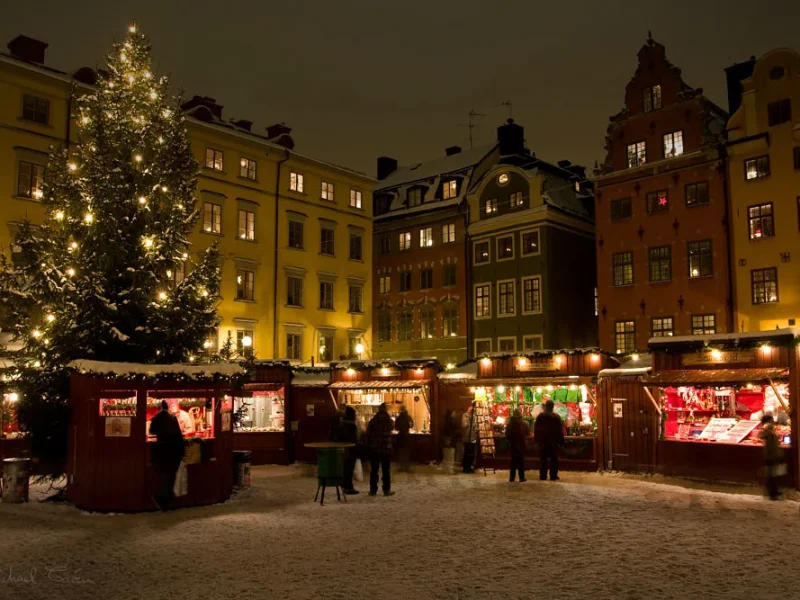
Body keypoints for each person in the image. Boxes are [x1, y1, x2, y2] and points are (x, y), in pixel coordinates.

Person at [149, 400, 185, 510]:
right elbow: (179, 435)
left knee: (164, 476)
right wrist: (182, 452)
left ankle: (161, 499)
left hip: (162, 450)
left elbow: (152, 431)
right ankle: (166, 501)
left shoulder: (157, 418)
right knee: (171, 476)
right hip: (174, 451)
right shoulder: (173, 417)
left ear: (159, 408)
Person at [366, 403, 395, 497]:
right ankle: (386, 489)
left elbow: (368, 432)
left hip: (375, 448)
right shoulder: (389, 421)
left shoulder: (373, 420)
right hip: (386, 448)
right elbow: (392, 428)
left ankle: (373, 490)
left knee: (374, 470)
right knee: (386, 470)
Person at [534, 399, 565, 481]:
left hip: (543, 441)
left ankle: (543, 475)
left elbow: (536, 429)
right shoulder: (556, 417)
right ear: (552, 407)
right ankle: (553, 475)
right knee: (553, 458)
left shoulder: (540, 416)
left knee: (543, 458)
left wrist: (536, 440)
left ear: (545, 406)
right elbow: (559, 430)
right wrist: (561, 441)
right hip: (553, 441)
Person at [759, 415, 783, 500]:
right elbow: (761, 436)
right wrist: (768, 430)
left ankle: (774, 491)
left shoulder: (771, 430)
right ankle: (772, 493)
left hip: (774, 454)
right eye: (771, 420)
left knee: (774, 474)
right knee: (771, 475)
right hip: (770, 455)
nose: (773, 422)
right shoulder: (767, 430)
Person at [339, 406, 360, 495]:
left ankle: (344, 485)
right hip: (350, 449)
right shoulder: (351, 425)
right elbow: (353, 438)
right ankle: (348, 487)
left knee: (345, 468)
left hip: (344, 450)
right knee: (349, 468)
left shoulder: (342, 423)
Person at [506, 409, 530, 482]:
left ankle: (512, 477)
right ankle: (521, 477)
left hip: (513, 445)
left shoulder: (510, 424)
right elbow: (528, 433)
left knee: (513, 462)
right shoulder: (524, 423)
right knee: (521, 462)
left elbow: (507, 434)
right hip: (521, 444)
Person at [394, 406, 414, 473]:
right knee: (407, 451)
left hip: (400, 436)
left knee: (400, 452)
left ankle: (401, 466)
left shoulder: (398, 418)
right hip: (407, 435)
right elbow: (411, 425)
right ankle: (407, 467)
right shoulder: (408, 417)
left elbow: (396, 428)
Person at [462, 407, 477, 474]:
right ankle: (465, 467)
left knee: (472, 454)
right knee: (466, 453)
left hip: (473, 438)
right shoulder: (465, 416)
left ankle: (470, 467)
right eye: (471, 411)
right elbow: (464, 425)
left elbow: (476, 426)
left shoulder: (474, 417)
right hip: (467, 438)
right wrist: (468, 420)